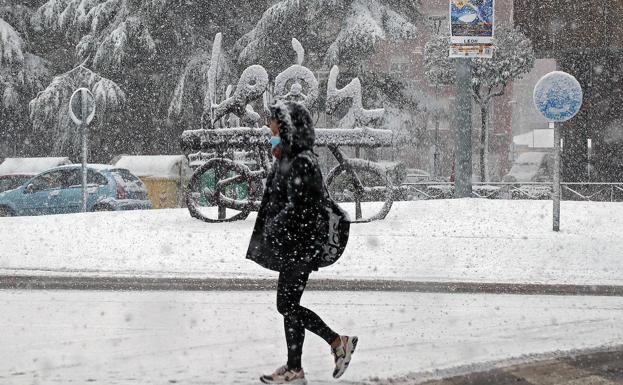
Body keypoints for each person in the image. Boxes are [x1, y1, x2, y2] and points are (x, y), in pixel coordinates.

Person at [246, 101, 357, 385]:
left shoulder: (303, 162)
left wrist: (275, 225)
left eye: (274, 124)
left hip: (301, 246)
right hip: (294, 246)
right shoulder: (290, 158)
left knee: (286, 305)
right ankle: (295, 369)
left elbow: (303, 206)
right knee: (289, 305)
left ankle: (336, 341)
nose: (269, 129)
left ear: (288, 127)